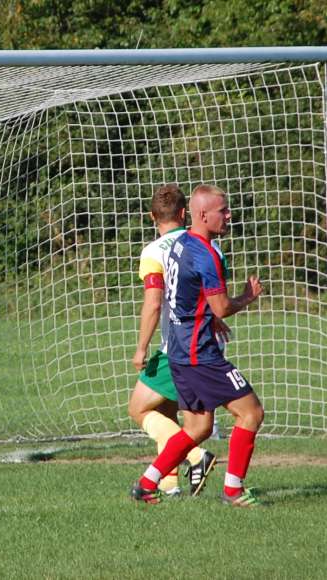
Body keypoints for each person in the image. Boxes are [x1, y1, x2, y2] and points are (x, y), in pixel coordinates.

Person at [130, 184, 264, 507]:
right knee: (251, 413)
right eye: (224, 211)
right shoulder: (207, 254)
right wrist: (247, 297)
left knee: (199, 426)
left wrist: (204, 314)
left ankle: (147, 483)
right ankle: (233, 489)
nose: (229, 216)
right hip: (201, 355)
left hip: (177, 352)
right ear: (202, 214)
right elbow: (220, 307)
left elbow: (179, 296)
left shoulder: (179, 247)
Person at [129, 184, 217, 496]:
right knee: (166, 411)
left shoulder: (154, 252)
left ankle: (197, 456)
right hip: (208, 344)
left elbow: (153, 303)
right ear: (183, 213)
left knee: (139, 408)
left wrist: (141, 347)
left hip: (178, 347)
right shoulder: (205, 245)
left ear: (153, 216)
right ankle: (169, 486)